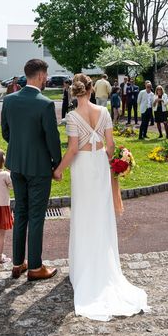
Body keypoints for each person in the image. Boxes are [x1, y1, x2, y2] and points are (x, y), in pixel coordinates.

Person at [53, 74, 149, 321]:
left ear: (74, 93)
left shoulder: (72, 117)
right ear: (92, 89)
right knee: (101, 215)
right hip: (99, 166)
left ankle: (84, 271)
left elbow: (73, 149)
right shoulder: (104, 112)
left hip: (83, 167)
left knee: (84, 215)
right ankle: (103, 268)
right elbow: (110, 145)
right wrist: (109, 162)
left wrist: (59, 169)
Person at [1, 58, 62, 281]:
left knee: (21, 214)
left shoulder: (8, 100)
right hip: (39, 168)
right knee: (36, 216)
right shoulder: (45, 104)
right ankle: (35, 267)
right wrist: (57, 164)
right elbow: (52, 140)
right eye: (45, 75)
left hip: (16, 165)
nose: (46, 79)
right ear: (40, 76)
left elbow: (6, 133)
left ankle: (18, 263)